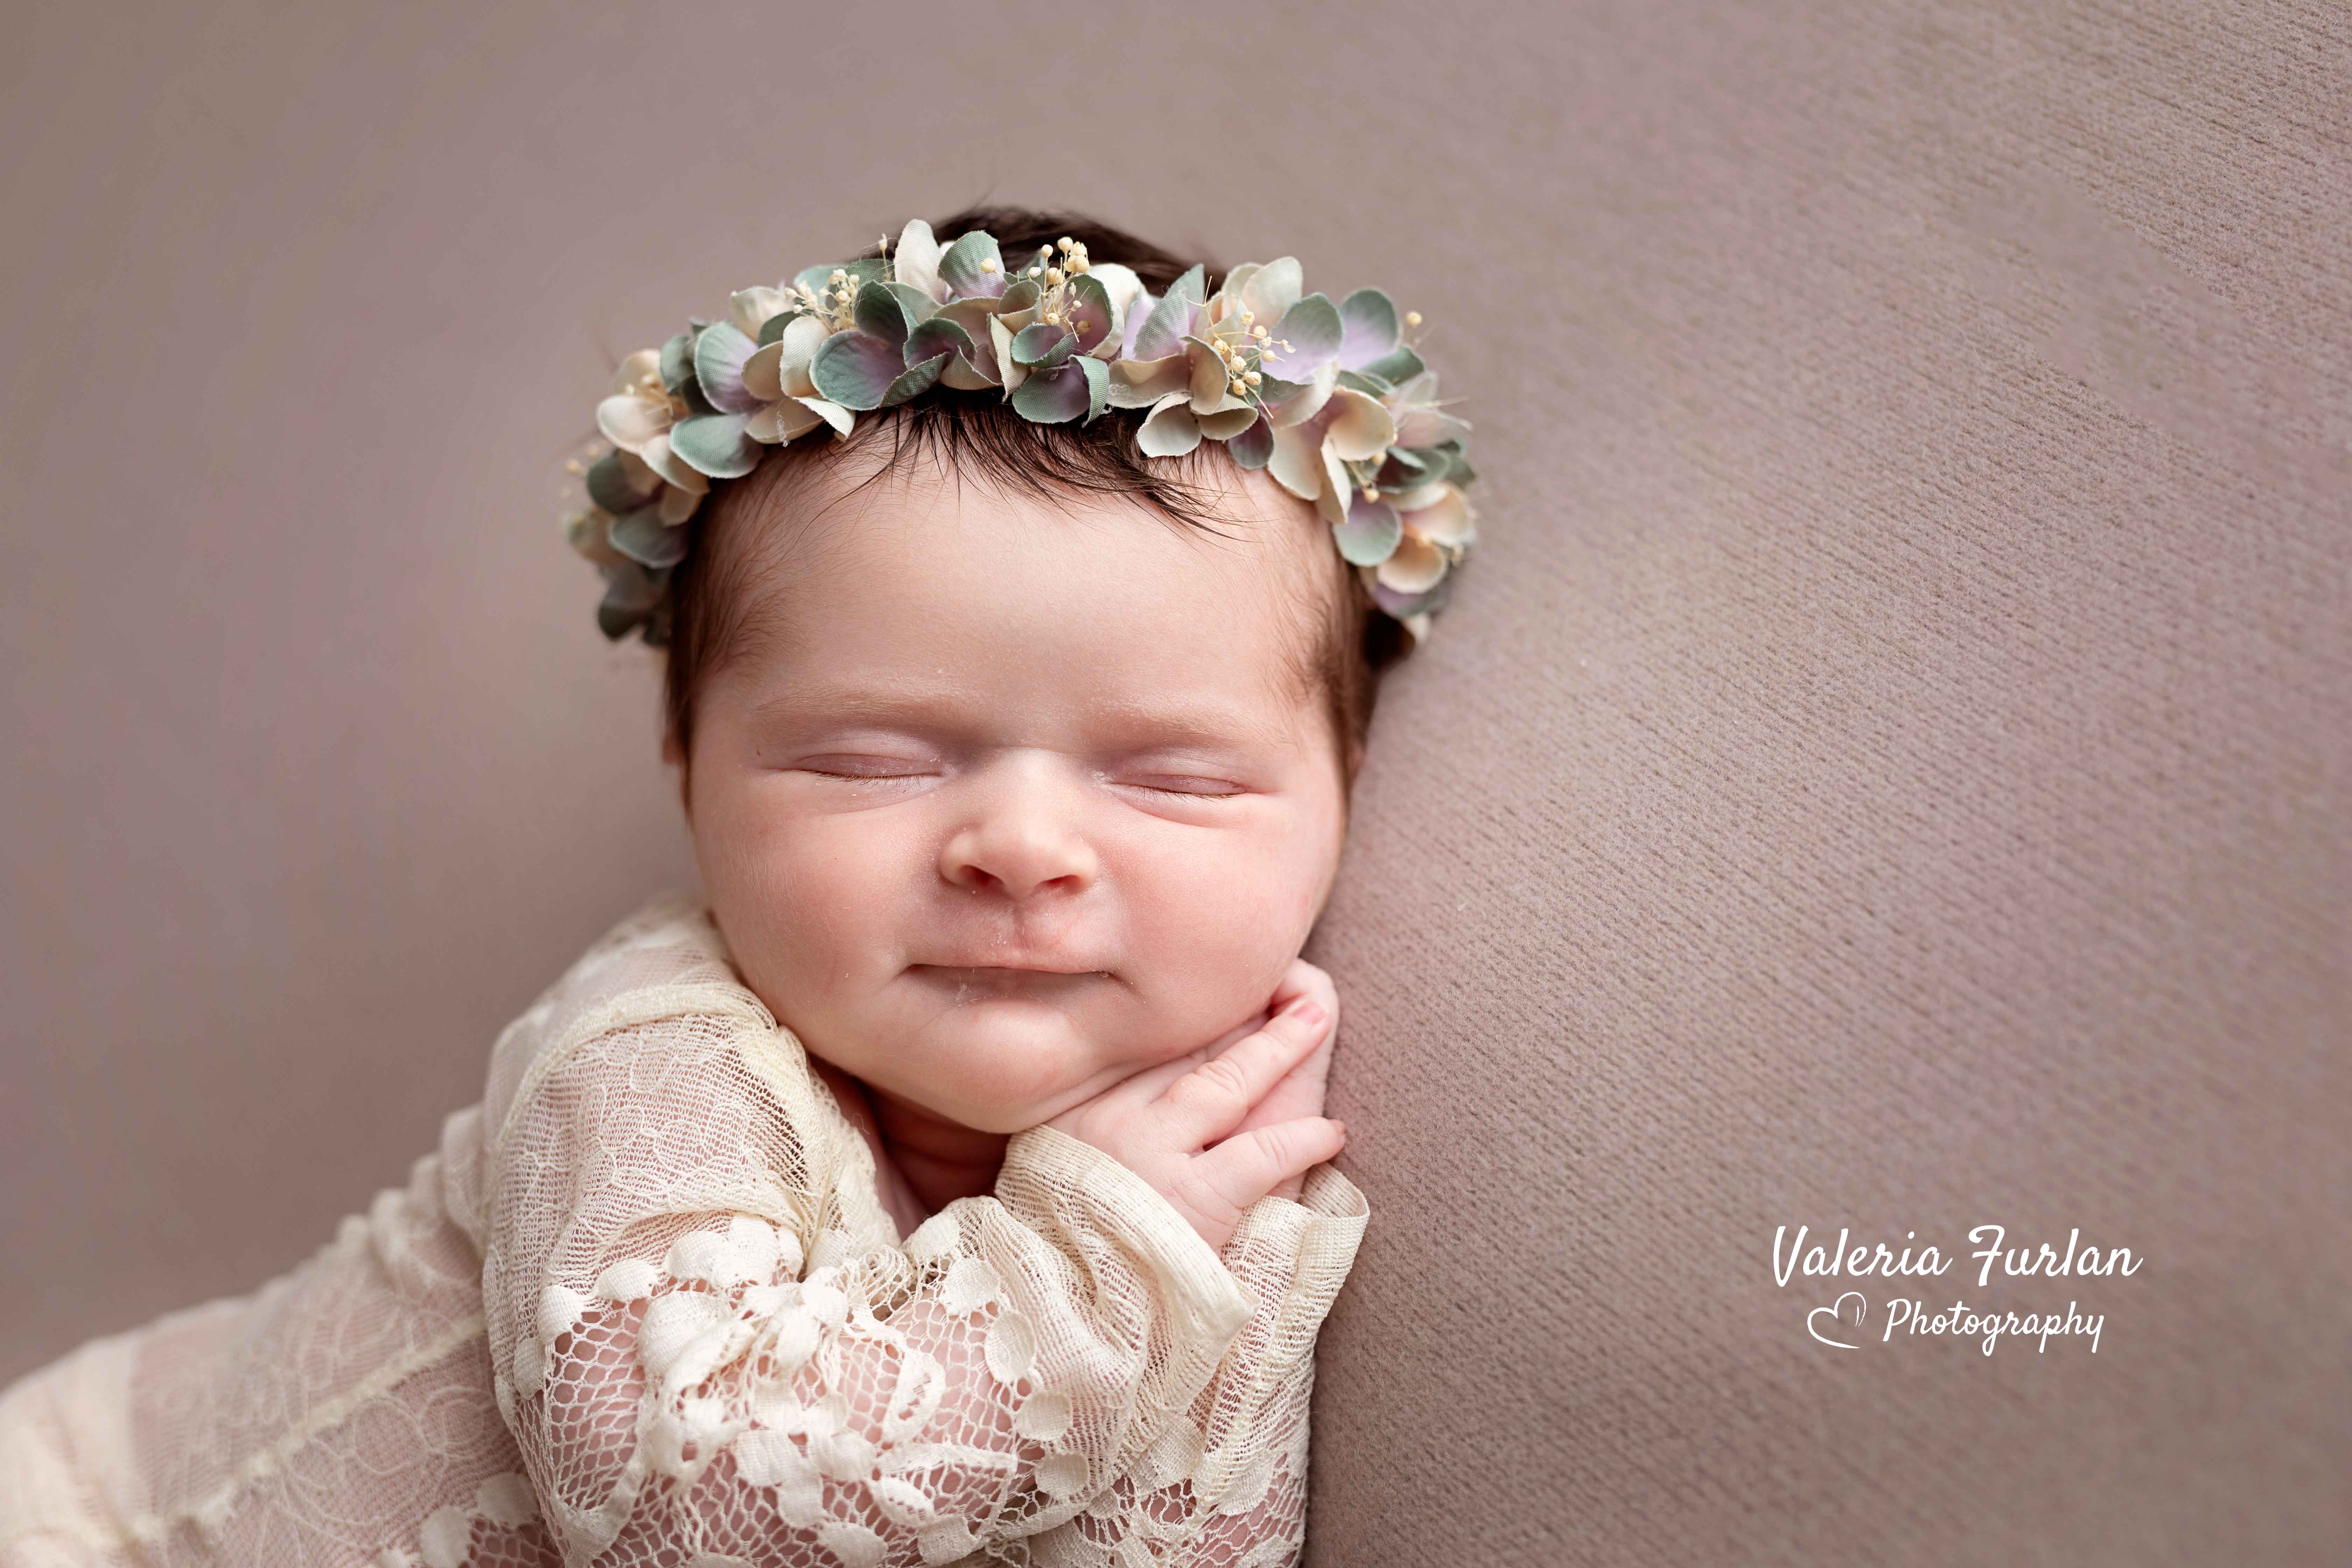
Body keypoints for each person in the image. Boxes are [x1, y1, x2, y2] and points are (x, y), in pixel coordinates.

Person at [0, 206, 1477, 1567]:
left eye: (1174, 777)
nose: (1021, 846)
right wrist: (1104, 1258)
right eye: (870, 761)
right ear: (686, 757)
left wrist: (1170, 1251)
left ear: (1345, 787)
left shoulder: (1230, 1174)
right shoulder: (656, 1049)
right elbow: (682, 1500)